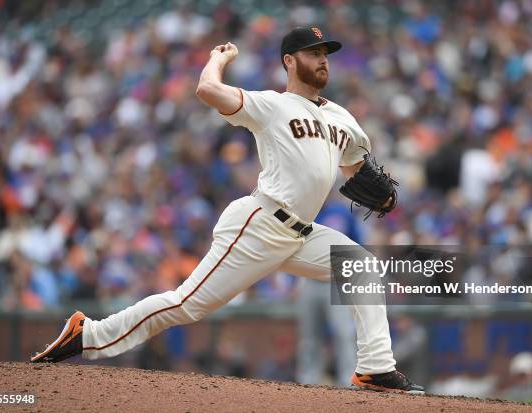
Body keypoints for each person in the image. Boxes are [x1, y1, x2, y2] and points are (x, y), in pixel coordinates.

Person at [30, 27, 424, 394]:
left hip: (302, 234)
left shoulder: (344, 119)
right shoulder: (271, 105)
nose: (323, 59)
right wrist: (219, 59)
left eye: (326, 54)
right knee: (187, 305)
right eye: (313, 52)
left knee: (363, 266)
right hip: (259, 225)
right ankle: (89, 332)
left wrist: (383, 195)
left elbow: (357, 170)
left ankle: (375, 367)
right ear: (289, 60)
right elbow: (207, 89)